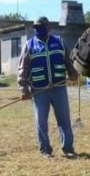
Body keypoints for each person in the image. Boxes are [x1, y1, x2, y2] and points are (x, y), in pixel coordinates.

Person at [17, 16, 79, 158]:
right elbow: (23, 69)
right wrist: (24, 89)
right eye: (36, 28)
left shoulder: (59, 42)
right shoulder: (29, 45)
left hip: (59, 87)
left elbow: (68, 61)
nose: (38, 30)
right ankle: (45, 150)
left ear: (48, 27)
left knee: (64, 119)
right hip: (39, 90)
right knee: (41, 122)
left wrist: (73, 73)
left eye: (41, 27)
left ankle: (68, 148)